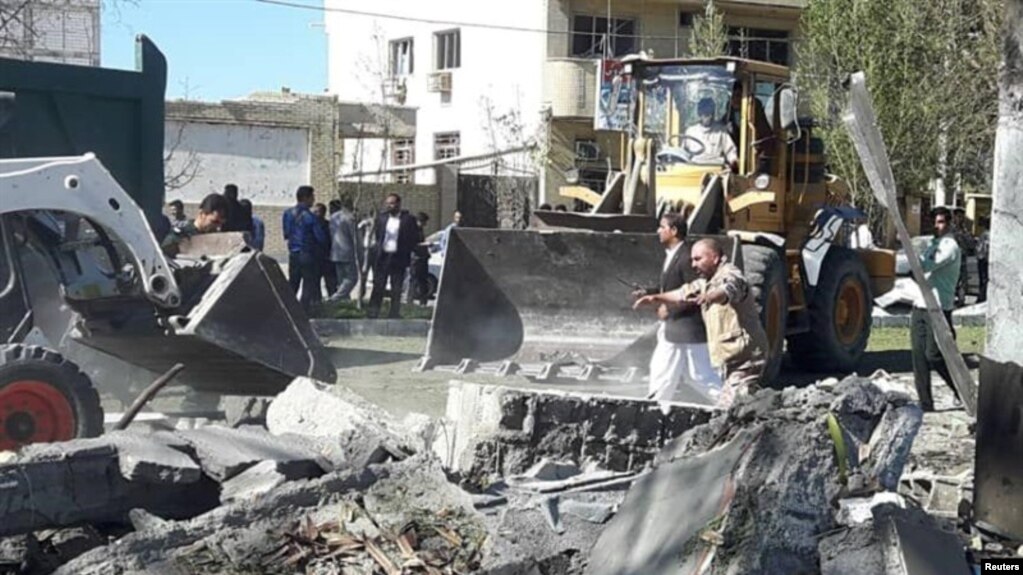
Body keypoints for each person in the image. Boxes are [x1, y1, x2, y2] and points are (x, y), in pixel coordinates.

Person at [634, 238, 767, 408]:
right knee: (736, 405)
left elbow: (730, 288)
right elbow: (682, 294)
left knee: (731, 407)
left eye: (698, 259)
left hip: (747, 359)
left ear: (715, 257)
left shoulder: (730, 274)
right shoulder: (706, 282)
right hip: (730, 359)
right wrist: (654, 298)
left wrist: (711, 297)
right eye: (691, 260)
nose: (693, 265)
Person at [630, 213, 721, 405]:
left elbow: (694, 292)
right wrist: (649, 292)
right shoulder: (674, 255)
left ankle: (732, 406)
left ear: (674, 231)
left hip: (686, 328)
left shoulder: (687, 257)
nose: (658, 231)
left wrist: (668, 309)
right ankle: (658, 408)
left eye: (662, 227)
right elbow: (674, 289)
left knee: (697, 376)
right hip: (677, 330)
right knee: (669, 372)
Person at [910, 206, 962, 412]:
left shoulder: (950, 246)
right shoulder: (932, 244)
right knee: (918, 356)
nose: (936, 225)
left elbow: (925, 266)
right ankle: (925, 402)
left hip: (938, 308)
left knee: (935, 355)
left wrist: (914, 261)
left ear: (948, 223)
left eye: (940, 222)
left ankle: (961, 389)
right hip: (920, 305)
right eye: (934, 221)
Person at [368, 193, 419, 319]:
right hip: (383, 257)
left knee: (397, 287)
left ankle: (394, 313)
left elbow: (413, 238)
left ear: (398, 204)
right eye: (388, 203)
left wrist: (410, 252)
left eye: (392, 203)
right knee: (379, 285)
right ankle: (373, 312)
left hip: (398, 257)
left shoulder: (408, 219)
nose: (390, 206)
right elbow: (379, 235)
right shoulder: (382, 218)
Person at [282, 185, 328, 311]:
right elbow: (320, 237)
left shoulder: (287, 214)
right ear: (305, 198)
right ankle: (302, 311)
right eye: (312, 197)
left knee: (293, 283)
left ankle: (287, 309)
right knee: (308, 284)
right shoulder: (310, 217)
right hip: (307, 253)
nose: (313, 200)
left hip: (293, 253)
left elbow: (286, 233)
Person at [161, 193, 229, 256]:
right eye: (215, 222)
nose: (218, 228)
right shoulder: (178, 238)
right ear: (202, 214)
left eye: (221, 224)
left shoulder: (218, 241)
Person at [684, 97, 738, 168]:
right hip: (694, 168)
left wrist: (733, 161)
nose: (708, 116)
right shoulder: (690, 132)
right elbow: (684, 153)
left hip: (716, 169)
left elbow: (730, 151)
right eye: (705, 113)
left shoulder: (721, 131)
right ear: (699, 114)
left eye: (710, 113)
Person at [328, 197, 359, 300]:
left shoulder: (333, 217)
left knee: (342, 280)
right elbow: (355, 237)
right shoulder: (349, 218)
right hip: (347, 252)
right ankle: (335, 298)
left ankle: (344, 301)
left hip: (335, 252)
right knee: (352, 278)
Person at [952, 208, 975, 307]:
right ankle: (951, 299)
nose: (960, 219)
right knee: (952, 280)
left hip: (962, 259)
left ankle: (961, 300)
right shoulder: (950, 229)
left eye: (962, 217)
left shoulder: (965, 230)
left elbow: (971, 244)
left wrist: (966, 235)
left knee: (963, 280)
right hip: (952, 259)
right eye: (958, 216)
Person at [408, 212, 431, 305]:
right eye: (423, 222)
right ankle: (409, 300)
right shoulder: (413, 231)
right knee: (414, 280)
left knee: (423, 280)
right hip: (416, 259)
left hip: (423, 258)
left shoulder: (420, 230)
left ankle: (423, 301)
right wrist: (424, 245)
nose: (425, 224)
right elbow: (412, 245)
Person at [314, 202, 336, 298]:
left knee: (331, 283)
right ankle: (317, 301)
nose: (315, 214)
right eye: (314, 212)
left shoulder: (329, 225)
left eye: (317, 212)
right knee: (315, 283)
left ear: (323, 213)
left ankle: (332, 300)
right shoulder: (312, 225)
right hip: (315, 258)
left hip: (327, 258)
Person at [976, 216, 990, 303]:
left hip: (984, 259)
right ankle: (983, 296)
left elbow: (981, 248)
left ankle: (982, 297)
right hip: (984, 259)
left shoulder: (985, 234)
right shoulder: (986, 234)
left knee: (983, 279)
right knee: (984, 279)